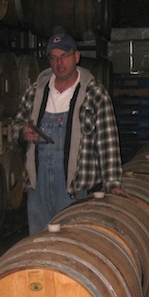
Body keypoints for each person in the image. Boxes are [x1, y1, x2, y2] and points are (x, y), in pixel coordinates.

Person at [12, 33, 124, 234]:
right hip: (38, 188)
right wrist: (22, 132)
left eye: (64, 56)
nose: (59, 63)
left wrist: (112, 183)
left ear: (76, 57)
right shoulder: (36, 92)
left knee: (72, 243)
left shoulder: (94, 94)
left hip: (75, 189)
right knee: (39, 243)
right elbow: (15, 126)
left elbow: (108, 142)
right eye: (54, 57)